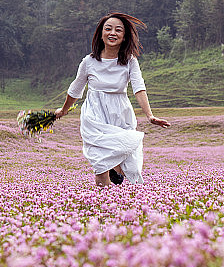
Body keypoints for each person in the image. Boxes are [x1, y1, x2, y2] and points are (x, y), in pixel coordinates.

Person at [55, 12, 170, 186]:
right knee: (100, 164)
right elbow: (75, 89)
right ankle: (104, 205)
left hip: (120, 114)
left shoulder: (130, 61)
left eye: (118, 30)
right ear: (100, 34)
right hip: (94, 116)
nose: (112, 33)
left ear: (124, 37)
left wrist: (150, 115)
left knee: (127, 162)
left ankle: (116, 175)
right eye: (107, 29)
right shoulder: (89, 61)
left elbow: (139, 88)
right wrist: (63, 110)